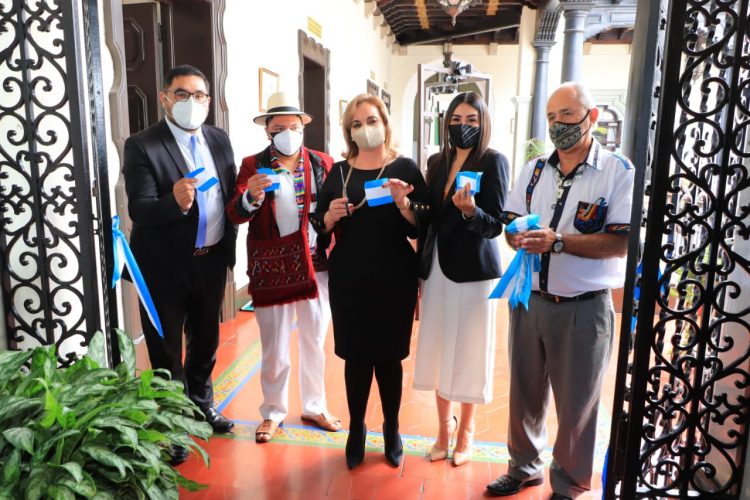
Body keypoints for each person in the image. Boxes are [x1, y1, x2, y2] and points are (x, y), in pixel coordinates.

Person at [486, 82, 634, 499]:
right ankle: (524, 467)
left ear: (592, 117)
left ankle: (568, 484)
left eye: (567, 114)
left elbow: (621, 241)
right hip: (530, 300)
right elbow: (510, 223)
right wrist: (517, 237)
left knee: (577, 404)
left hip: (583, 308)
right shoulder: (535, 169)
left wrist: (559, 242)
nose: (557, 124)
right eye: (551, 117)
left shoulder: (617, 171)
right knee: (524, 393)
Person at [122, 65, 237, 464]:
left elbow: (228, 194)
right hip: (163, 269)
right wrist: (176, 202)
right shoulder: (142, 145)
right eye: (182, 94)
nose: (192, 102)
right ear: (165, 98)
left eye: (199, 95)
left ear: (209, 100)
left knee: (206, 342)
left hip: (211, 261)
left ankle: (202, 406)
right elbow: (140, 209)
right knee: (166, 352)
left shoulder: (218, 139)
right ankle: (172, 426)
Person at [313, 94, 427, 469]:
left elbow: (423, 224)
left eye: (372, 120)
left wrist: (403, 204)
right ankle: (357, 428)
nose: (365, 129)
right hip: (350, 277)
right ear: (349, 131)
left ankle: (392, 428)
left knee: (390, 358)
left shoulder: (405, 168)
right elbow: (319, 224)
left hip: (395, 276)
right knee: (356, 356)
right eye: (357, 124)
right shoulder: (338, 172)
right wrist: (329, 217)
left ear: (385, 122)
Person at [226, 92, 341, 443]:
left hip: (315, 264)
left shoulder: (322, 162)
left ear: (303, 127)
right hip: (272, 266)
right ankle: (273, 412)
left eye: (293, 126)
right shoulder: (253, 164)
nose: (287, 133)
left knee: (314, 339)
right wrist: (251, 196)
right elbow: (235, 213)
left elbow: (334, 209)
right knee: (274, 345)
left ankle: (315, 405)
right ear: (267, 131)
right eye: (279, 128)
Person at [411, 92, 509, 467]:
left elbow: (495, 223)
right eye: (456, 119)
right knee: (438, 346)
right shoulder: (437, 162)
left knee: (469, 349)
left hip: (473, 272)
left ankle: (467, 430)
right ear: (446, 122)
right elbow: (429, 214)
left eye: (471, 120)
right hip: (437, 266)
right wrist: (406, 204)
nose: (462, 126)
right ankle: (443, 429)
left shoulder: (493, 161)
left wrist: (471, 212)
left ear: (483, 124)